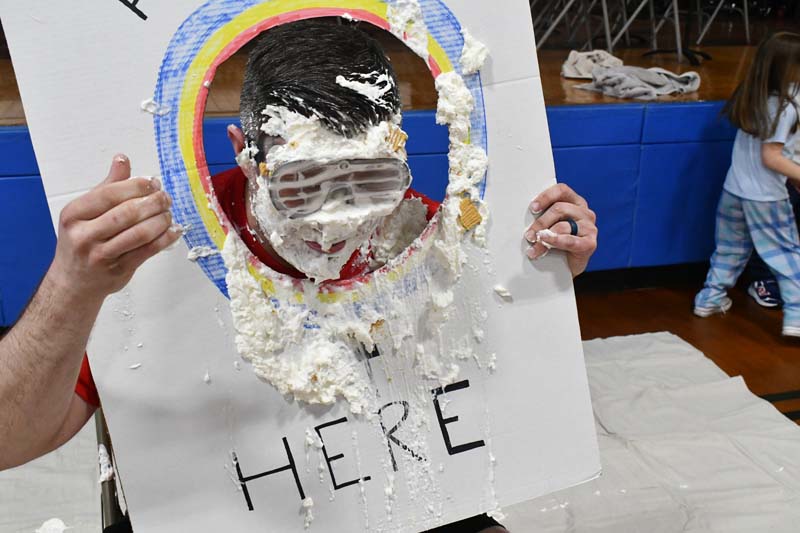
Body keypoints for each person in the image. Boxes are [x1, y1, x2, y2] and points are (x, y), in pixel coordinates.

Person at [0, 19, 598, 533]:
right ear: (242, 150)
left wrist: (538, 273)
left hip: (387, 486)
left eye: (370, 182)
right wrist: (70, 288)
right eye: (302, 185)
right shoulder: (150, 255)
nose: (336, 228)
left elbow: (505, 403)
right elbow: (11, 441)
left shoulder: (427, 238)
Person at [694, 32, 800, 338]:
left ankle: (709, 300)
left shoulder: (752, 94)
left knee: (729, 250)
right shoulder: (787, 106)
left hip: (733, 192)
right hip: (765, 198)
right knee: (787, 254)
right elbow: (772, 156)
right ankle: (796, 316)